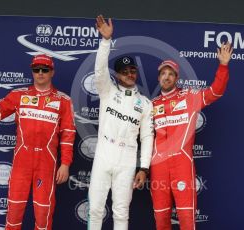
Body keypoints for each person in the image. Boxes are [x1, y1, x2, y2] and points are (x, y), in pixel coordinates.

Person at [0, 54, 76, 230]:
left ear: (52, 72)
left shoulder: (63, 100)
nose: (40, 73)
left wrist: (65, 163)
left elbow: (68, 134)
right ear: (32, 71)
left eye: (45, 69)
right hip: (22, 162)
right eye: (36, 69)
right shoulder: (19, 95)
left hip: (46, 162)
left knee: (44, 213)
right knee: (14, 212)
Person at [150, 44, 233, 229]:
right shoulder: (151, 105)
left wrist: (223, 66)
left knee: (187, 218)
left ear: (176, 78)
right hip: (159, 167)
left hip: (182, 164)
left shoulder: (189, 97)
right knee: (161, 219)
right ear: (158, 78)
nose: (167, 76)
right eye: (163, 73)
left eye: (171, 73)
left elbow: (215, 92)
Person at [88, 15, 154, 230]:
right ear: (117, 75)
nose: (129, 74)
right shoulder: (107, 91)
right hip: (104, 152)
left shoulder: (144, 103)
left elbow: (146, 136)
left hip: (127, 158)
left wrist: (143, 168)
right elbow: (99, 71)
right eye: (124, 72)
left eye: (132, 71)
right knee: (96, 209)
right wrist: (106, 41)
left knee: (121, 212)